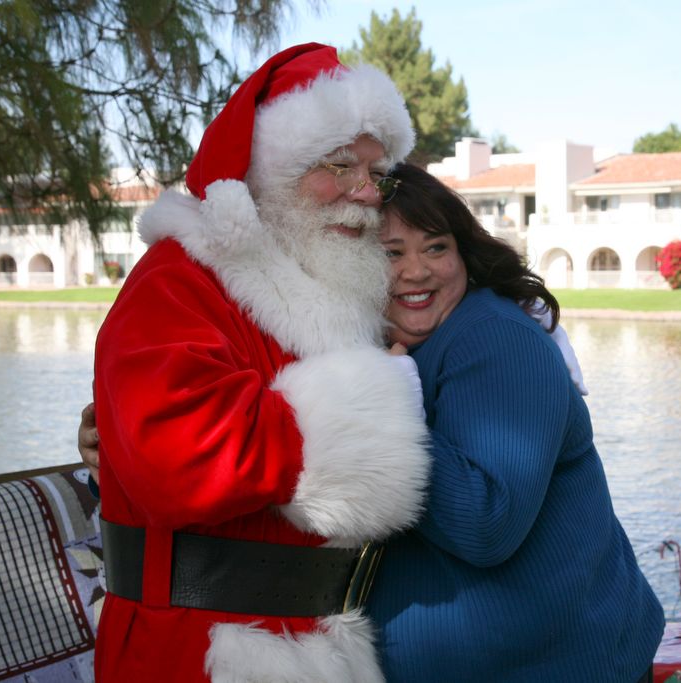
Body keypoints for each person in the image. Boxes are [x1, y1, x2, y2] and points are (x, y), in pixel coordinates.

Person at [89, 43, 431, 682]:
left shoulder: (335, 284)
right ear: (270, 170)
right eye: (337, 165)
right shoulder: (180, 277)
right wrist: (362, 412)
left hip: (323, 642)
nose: (364, 192)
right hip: (202, 650)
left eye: (374, 172)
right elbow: (172, 452)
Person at [362, 164, 664, 682]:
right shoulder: (404, 347)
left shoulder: (496, 340)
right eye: (391, 253)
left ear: (464, 254)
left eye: (436, 247)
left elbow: (486, 522)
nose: (416, 271)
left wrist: (386, 414)